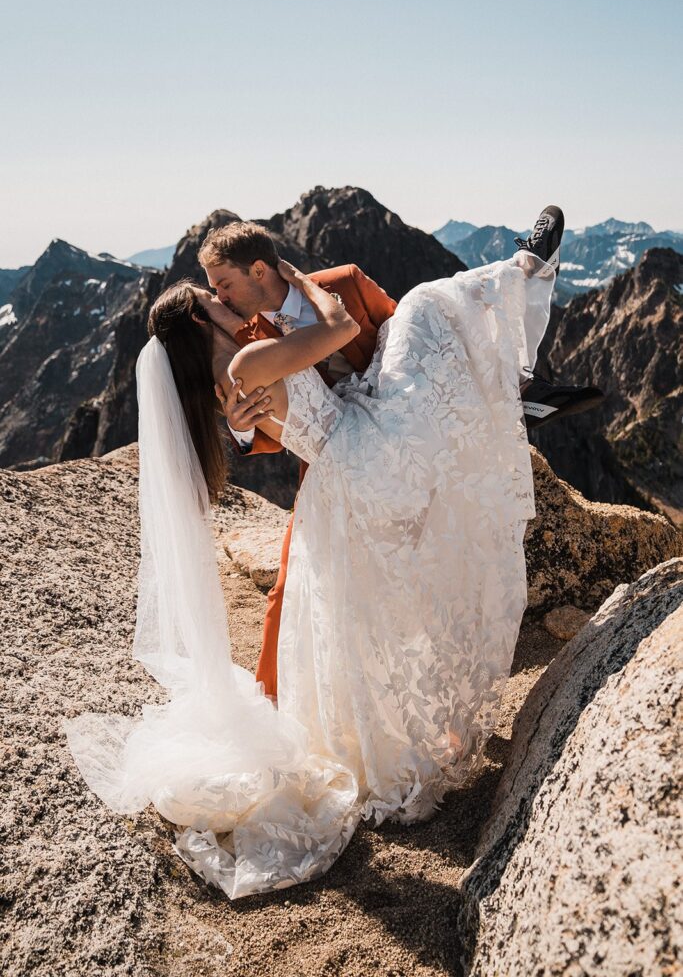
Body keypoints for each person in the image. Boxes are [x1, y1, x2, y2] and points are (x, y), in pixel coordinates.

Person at [63, 204, 570, 900]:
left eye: (222, 288)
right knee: (428, 302)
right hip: (367, 456)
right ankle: (524, 273)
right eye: (212, 300)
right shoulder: (248, 355)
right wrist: (309, 296)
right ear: (204, 325)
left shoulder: (229, 378)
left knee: (368, 624)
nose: (222, 301)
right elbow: (335, 329)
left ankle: (517, 382)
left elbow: (322, 360)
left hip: (349, 467)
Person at [199, 214, 603, 701]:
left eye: (223, 284)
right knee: (291, 588)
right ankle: (271, 704)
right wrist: (241, 427)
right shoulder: (249, 341)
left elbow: (422, 342)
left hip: (404, 425)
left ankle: (518, 355)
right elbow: (275, 424)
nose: (220, 297)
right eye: (212, 290)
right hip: (340, 457)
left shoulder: (345, 282)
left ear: (260, 270)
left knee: (425, 307)